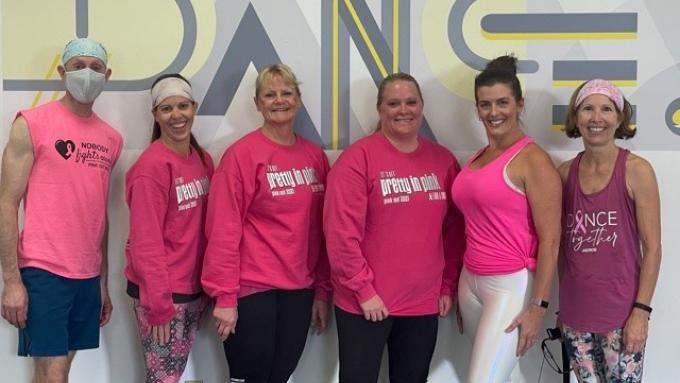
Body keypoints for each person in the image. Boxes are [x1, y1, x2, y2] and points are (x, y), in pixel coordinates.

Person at [323, 72, 466, 383]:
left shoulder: (442, 161)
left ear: (422, 106)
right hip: (366, 303)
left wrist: (446, 285)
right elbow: (340, 235)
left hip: (422, 303)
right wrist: (363, 290)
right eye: (394, 103)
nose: (404, 110)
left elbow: (454, 232)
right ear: (380, 109)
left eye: (411, 102)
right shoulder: (357, 160)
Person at [0, 37, 122, 382]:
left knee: (59, 370)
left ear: (107, 74)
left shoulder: (111, 138)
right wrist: (11, 281)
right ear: (61, 72)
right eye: (78, 65)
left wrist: (101, 281)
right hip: (44, 269)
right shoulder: (31, 124)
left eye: (96, 67)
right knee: (53, 374)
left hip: (86, 275)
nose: (87, 73)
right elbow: (6, 203)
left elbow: (100, 214)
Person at [201, 64, 331, 383]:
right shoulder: (242, 155)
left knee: (281, 374)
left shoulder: (314, 157)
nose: (279, 100)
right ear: (257, 104)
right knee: (250, 376)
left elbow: (323, 231)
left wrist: (320, 292)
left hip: (299, 287)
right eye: (269, 95)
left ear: (298, 100)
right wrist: (225, 297)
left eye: (287, 93)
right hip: (251, 288)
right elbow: (222, 229)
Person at [450, 55, 561, 382]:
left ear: (519, 104)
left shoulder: (533, 161)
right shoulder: (477, 157)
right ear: (477, 109)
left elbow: (551, 241)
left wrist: (538, 306)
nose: (493, 112)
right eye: (485, 104)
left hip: (510, 286)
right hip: (469, 283)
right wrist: (462, 285)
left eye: (502, 103)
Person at [557, 79, 661, 382]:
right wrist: (563, 309)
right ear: (576, 118)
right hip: (576, 317)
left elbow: (653, 248)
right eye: (587, 108)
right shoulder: (564, 174)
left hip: (622, 316)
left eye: (606, 109)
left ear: (619, 118)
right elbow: (562, 247)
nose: (596, 118)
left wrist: (641, 312)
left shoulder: (636, 171)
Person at [125, 73, 213, 383]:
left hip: (191, 290)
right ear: (155, 115)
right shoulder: (151, 168)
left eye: (183, 106)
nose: (176, 115)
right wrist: (159, 306)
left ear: (194, 107)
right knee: (163, 378)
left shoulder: (203, 160)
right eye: (166, 109)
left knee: (172, 374)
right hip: (162, 295)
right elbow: (145, 243)